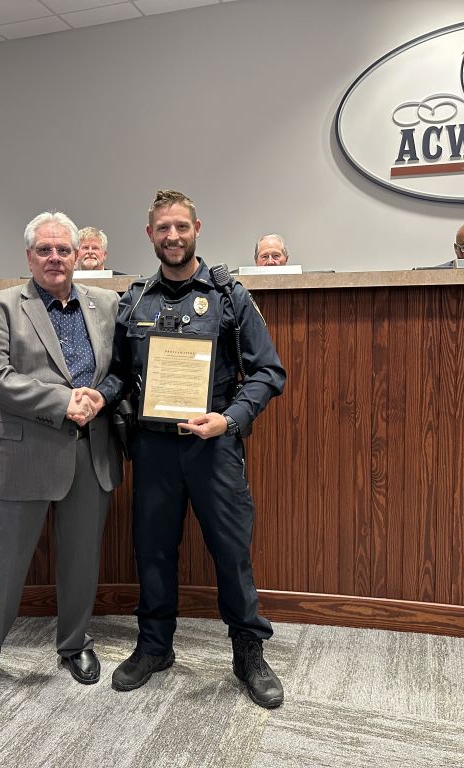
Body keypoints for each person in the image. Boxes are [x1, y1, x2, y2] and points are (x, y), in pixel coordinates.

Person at [97, 190, 287, 709]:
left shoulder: (229, 296)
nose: (173, 237)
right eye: (163, 229)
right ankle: (155, 646)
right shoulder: (135, 300)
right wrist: (101, 394)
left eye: (181, 227)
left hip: (214, 448)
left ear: (196, 227)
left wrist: (229, 419)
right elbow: (118, 374)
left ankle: (249, 651)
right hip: (154, 449)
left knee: (231, 552)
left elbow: (268, 373)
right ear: (150, 234)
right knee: (153, 551)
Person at [0, 211, 122, 702]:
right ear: (29, 256)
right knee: (3, 564)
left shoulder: (107, 304)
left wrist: (100, 397)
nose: (55, 258)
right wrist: (62, 402)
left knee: (81, 561)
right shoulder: (1, 306)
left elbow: (123, 368)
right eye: (44, 250)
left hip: (91, 453)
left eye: (63, 250)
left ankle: (74, 644)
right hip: (25, 455)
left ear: (76, 255)